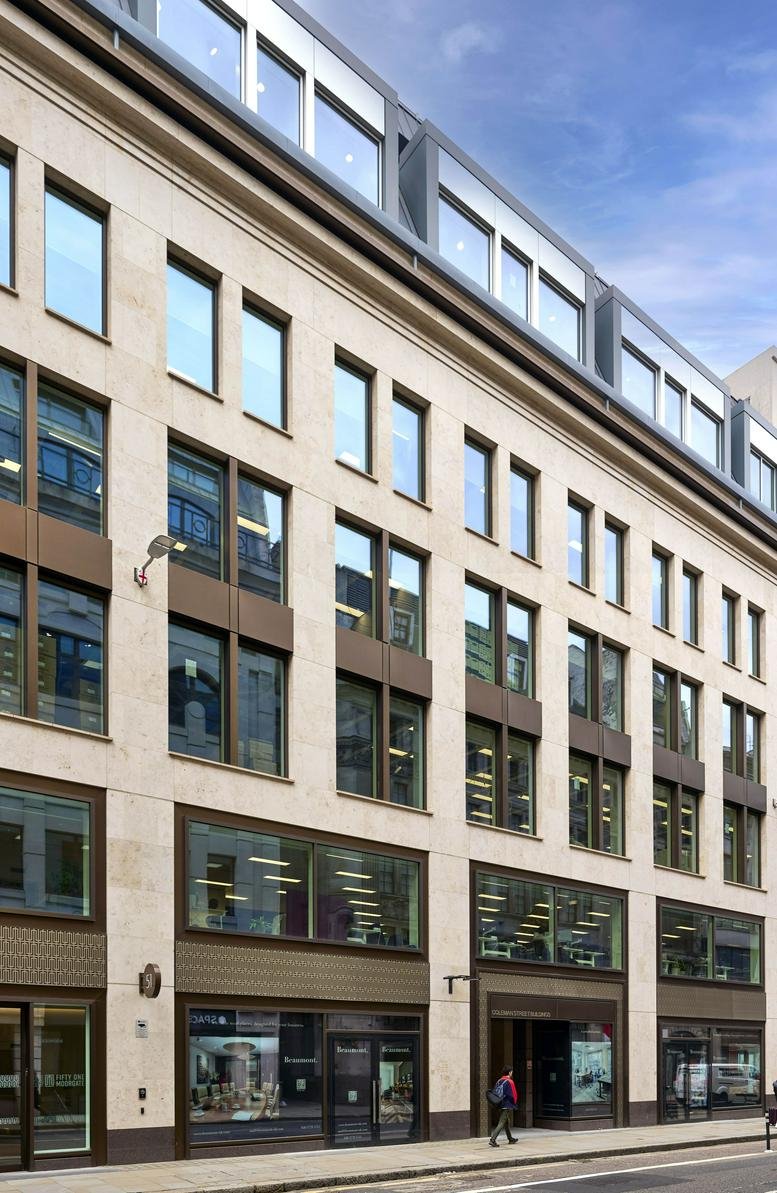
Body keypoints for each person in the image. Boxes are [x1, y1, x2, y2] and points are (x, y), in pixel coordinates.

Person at [489, 1065, 518, 1147]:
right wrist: (514, 1104)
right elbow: (514, 1095)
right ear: (509, 1072)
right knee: (501, 1122)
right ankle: (492, 1140)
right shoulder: (510, 1081)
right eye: (511, 1072)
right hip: (507, 1105)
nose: (512, 1073)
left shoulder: (499, 1081)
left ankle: (510, 1139)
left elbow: (495, 1093)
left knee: (506, 1122)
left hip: (499, 1104)